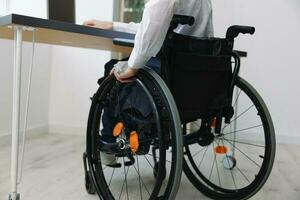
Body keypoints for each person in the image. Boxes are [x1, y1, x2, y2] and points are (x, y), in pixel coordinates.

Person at [84, 0, 214, 165]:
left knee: (113, 68)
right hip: (192, 75)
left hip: (170, 69)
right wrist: (114, 25)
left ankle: (107, 141)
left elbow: (152, 29)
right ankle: (148, 128)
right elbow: (154, 25)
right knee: (130, 66)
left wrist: (132, 66)